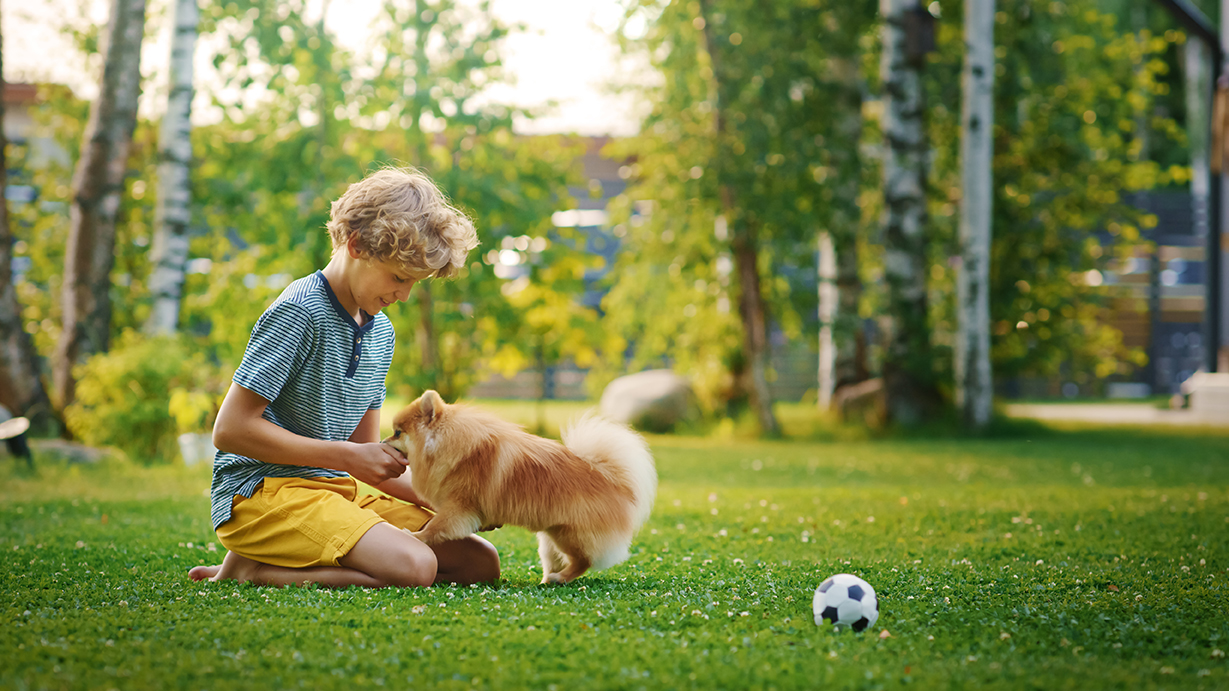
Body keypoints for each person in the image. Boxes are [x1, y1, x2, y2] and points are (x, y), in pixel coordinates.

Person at [189, 168, 498, 588]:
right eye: (399, 278)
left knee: (479, 563)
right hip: (261, 494)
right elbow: (230, 430)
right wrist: (347, 458)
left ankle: (262, 563)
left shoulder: (380, 332)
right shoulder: (300, 312)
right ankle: (251, 568)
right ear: (356, 245)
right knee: (416, 566)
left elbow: (365, 457)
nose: (404, 295)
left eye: (413, 283)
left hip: (334, 488)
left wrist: (452, 499)